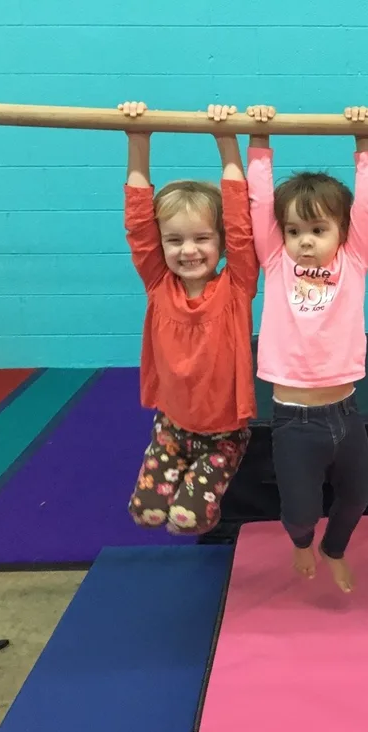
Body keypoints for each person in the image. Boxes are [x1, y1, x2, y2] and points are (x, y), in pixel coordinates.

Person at [239, 103, 368, 593]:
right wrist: (258, 140)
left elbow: (366, 206)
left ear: (341, 232)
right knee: (300, 511)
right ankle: (303, 541)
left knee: (357, 497)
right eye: (295, 231)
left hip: (346, 411)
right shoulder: (275, 261)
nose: (304, 242)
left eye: (318, 230)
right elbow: (258, 207)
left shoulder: (355, 260)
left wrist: (366, 143)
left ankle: (334, 548)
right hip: (293, 417)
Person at [118, 100, 260, 536]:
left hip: (223, 434)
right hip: (172, 427)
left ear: (219, 244)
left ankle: (203, 495)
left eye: (201, 238)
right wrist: (138, 137)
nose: (189, 250)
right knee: (145, 513)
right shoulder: (159, 282)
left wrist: (226, 140)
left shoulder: (236, 287)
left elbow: (240, 224)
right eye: (175, 240)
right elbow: (138, 223)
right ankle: (172, 468)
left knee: (187, 521)